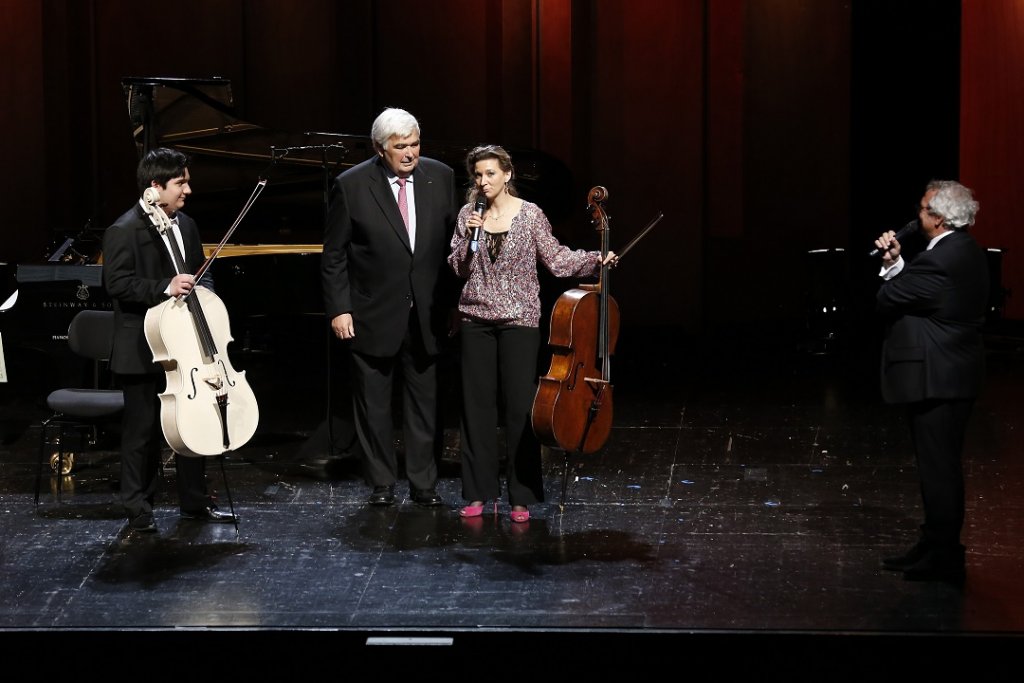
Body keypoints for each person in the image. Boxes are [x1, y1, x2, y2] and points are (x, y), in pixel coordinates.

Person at [448, 144, 617, 523]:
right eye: (477, 175)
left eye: (490, 173)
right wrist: (467, 239)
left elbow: (556, 260)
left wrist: (594, 258)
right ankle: (478, 492)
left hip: (519, 321)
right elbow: (458, 268)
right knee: (476, 408)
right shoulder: (467, 215)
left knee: (519, 408)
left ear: (508, 174)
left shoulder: (530, 216)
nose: (483, 181)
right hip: (475, 317)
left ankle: (520, 496)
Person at [321, 108, 457, 507]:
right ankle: (382, 482)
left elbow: (450, 250)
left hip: (428, 313)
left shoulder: (441, 176)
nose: (410, 153)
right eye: (401, 147)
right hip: (372, 312)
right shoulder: (351, 185)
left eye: (415, 144)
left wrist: (451, 303)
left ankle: (423, 483)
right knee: (374, 404)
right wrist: (339, 309)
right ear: (380, 149)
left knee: (425, 403)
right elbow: (334, 256)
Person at [102, 147, 235, 532]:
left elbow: (198, 272)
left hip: (186, 343)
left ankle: (194, 502)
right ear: (155, 186)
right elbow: (117, 283)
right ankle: (137, 508)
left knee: (194, 424)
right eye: (181, 182)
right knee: (142, 433)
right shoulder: (124, 229)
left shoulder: (187, 225)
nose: (188, 190)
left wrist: (207, 299)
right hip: (143, 348)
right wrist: (164, 286)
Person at [873, 180, 988, 584]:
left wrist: (892, 266)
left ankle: (944, 555)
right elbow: (920, 294)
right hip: (951, 375)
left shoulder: (942, 259)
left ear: (937, 218)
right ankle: (935, 545)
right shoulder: (963, 250)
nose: (916, 216)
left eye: (922, 209)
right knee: (939, 468)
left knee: (939, 470)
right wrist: (899, 263)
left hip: (939, 379)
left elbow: (889, 299)